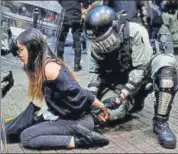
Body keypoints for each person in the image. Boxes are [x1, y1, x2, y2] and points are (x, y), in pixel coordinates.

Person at [84, 5, 178, 149]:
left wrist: (121, 96)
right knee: (108, 113)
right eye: (98, 43)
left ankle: (161, 123)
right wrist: (92, 99)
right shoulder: (97, 42)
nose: (102, 47)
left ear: (117, 29)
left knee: (166, 69)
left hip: (144, 75)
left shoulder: (136, 31)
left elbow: (141, 68)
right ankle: (134, 102)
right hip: (119, 81)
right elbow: (94, 73)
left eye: (106, 41)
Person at [15, 28, 109, 149]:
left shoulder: (50, 69)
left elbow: (79, 93)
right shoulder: (42, 66)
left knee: (26, 137)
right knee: (26, 127)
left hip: (79, 122)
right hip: (70, 118)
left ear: (33, 48)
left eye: (21, 50)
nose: (20, 54)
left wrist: (101, 106)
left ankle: (83, 140)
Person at [56, 0, 92, 72]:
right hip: (76, 18)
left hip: (64, 17)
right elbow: (85, 4)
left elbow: (57, 3)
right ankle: (76, 65)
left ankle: (60, 62)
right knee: (77, 41)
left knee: (61, 40)